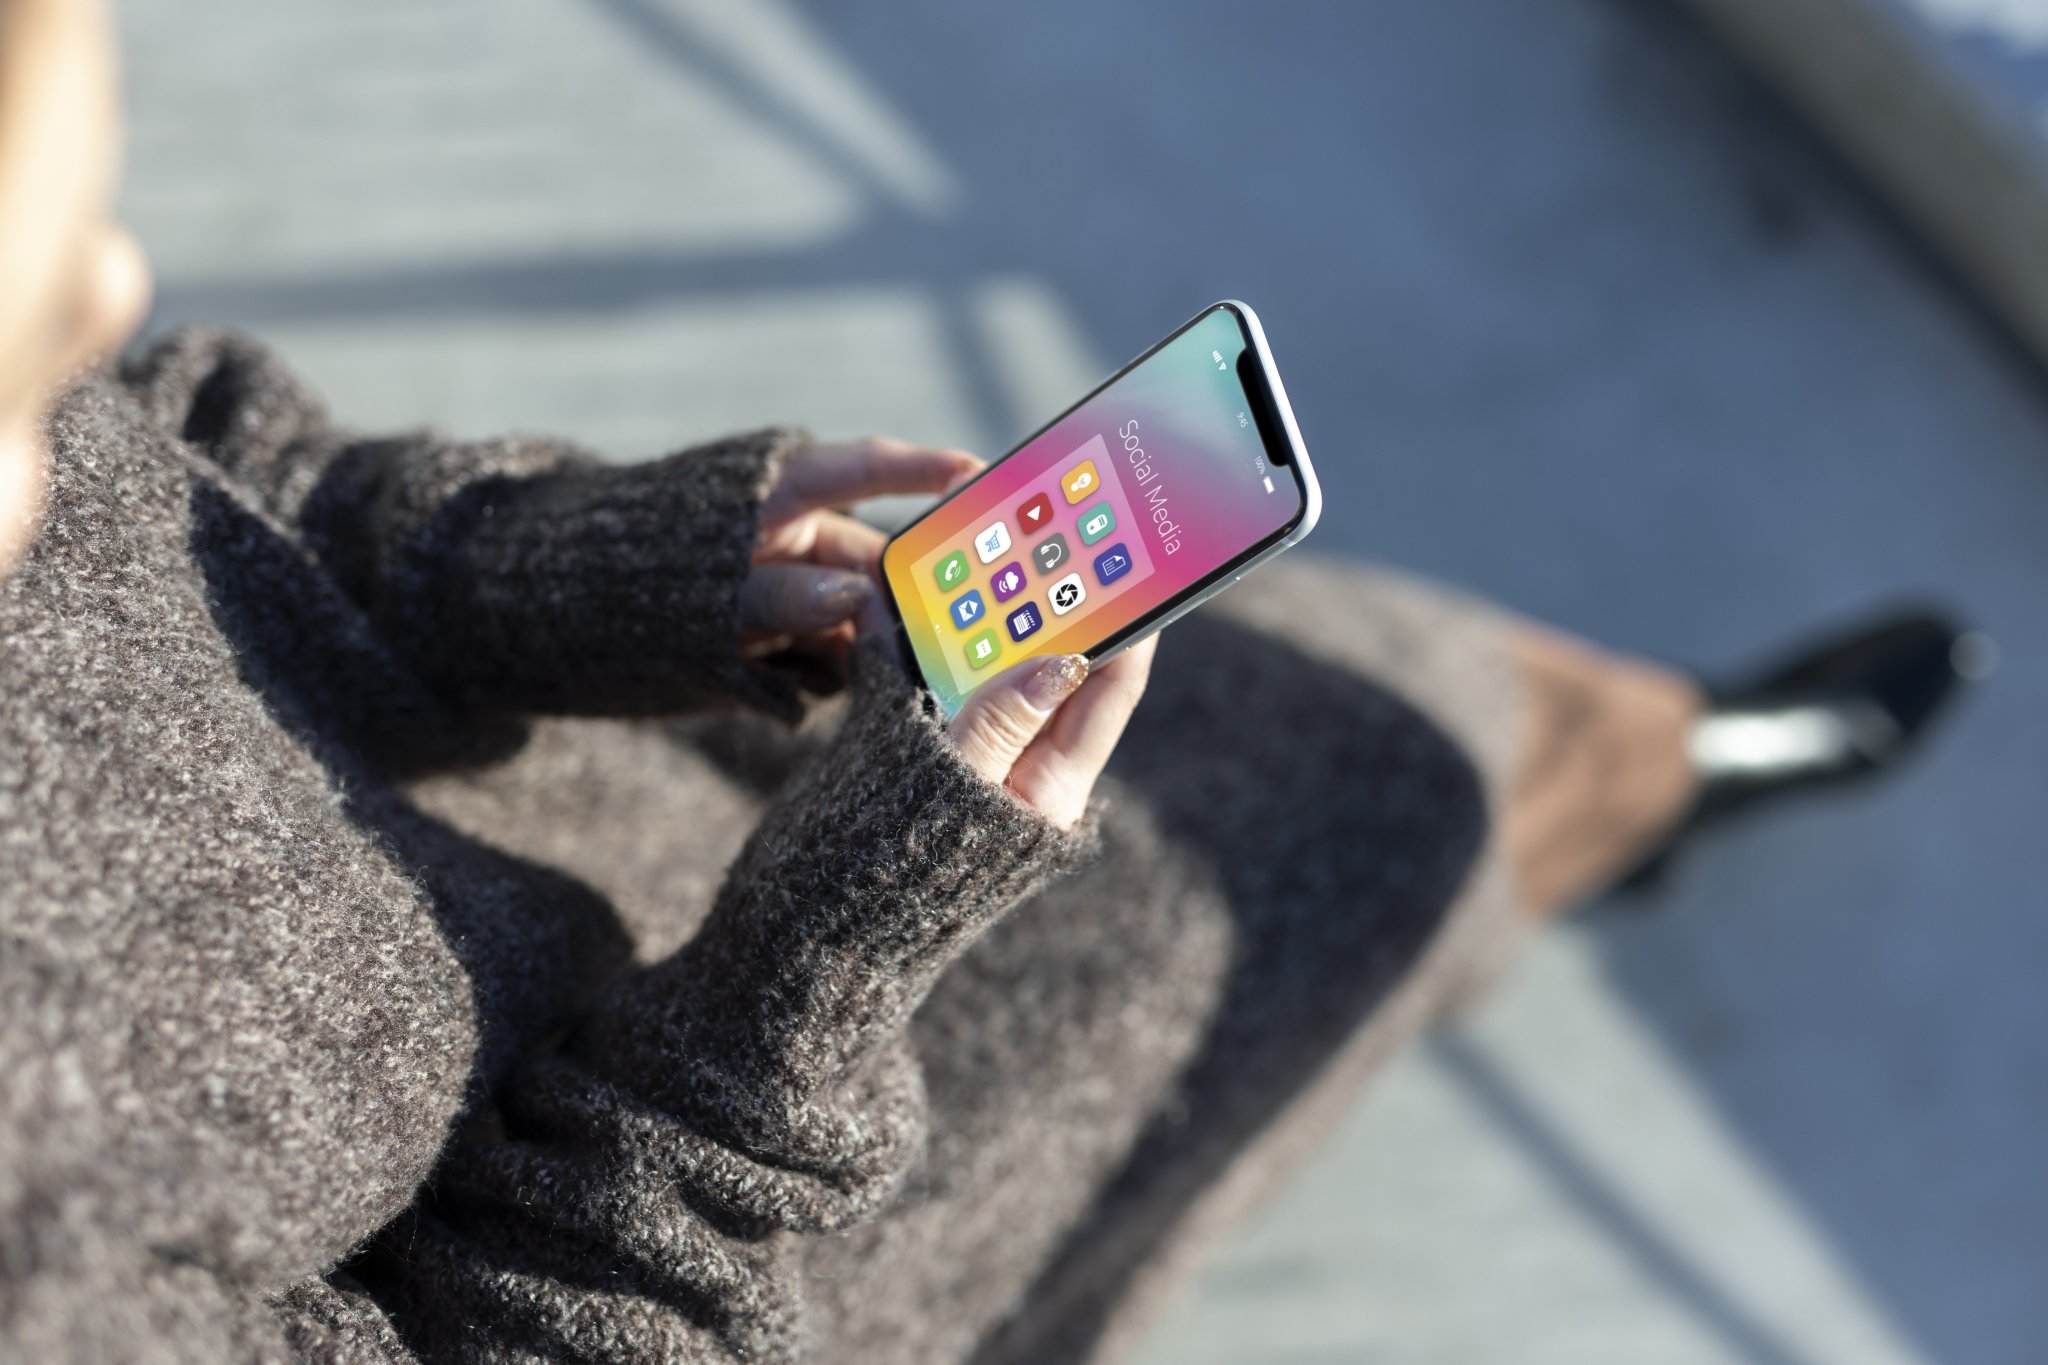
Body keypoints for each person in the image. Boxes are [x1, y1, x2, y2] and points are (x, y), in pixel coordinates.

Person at [0, 0, 1970, 1360]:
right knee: (1389, 781)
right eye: (40, 334)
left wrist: (593, 564)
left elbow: (213, 452)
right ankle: (1635, 791)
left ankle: (1652, 769)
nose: (116, 293)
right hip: (733, 1174)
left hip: (629, 765)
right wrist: (829, 956)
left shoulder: (62, 340)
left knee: (1374, 695)